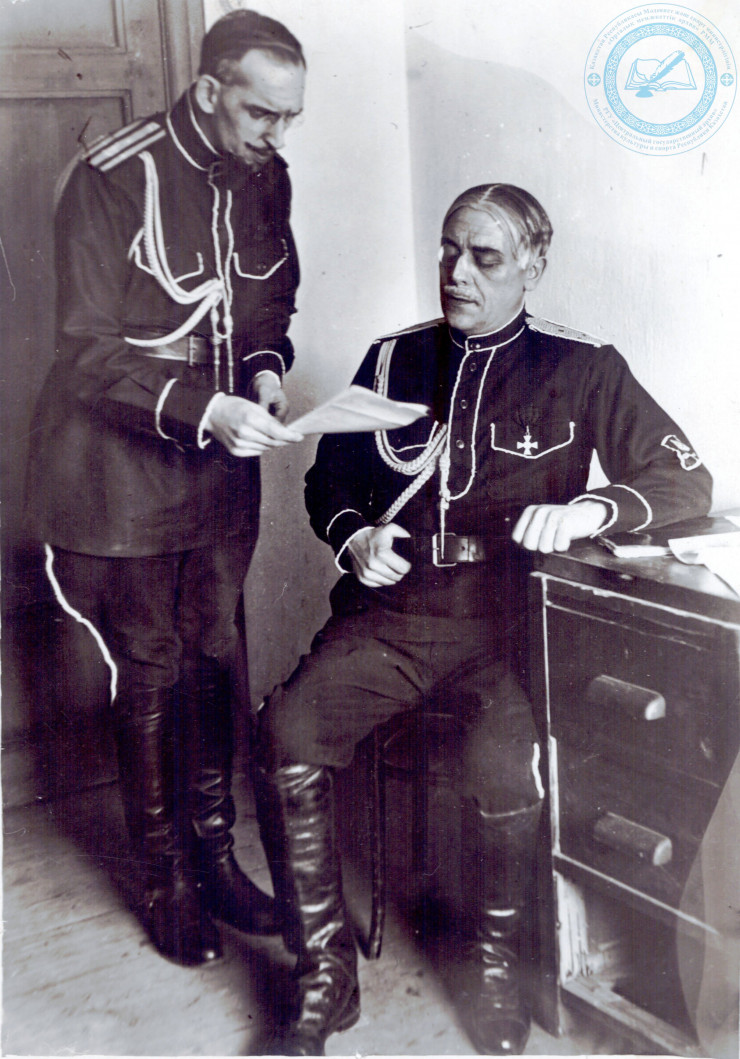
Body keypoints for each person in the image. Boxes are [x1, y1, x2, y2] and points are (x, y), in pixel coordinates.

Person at [252, 183, 713, 1055]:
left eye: (485, 257)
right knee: (286, 730)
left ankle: (496, 965)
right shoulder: (394, 358)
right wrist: (355, 539)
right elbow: (329, 482)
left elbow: (685, 478)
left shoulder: (582, 367)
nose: (457, 273)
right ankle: (324, 971)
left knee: (503, 765)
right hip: (393, 617)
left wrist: (591, 509)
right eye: (448, 251)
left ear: (532, 266)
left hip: (509, 627)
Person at [24, 10, 306, 967]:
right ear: (209, 89)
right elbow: (87, 352)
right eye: (262, 112)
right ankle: (164, 878)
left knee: (215, 651)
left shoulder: (265, 173)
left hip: (218, 460)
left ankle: (217, 859)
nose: (277, 134)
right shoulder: (112, 177)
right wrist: (206, 408)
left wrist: (263, 372)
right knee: (150, 664)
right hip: (121, 467)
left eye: (290, 117)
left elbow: (269, 303)